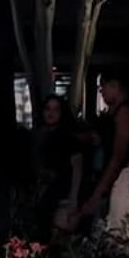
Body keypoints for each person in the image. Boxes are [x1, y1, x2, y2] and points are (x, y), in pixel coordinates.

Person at [74, 65, 129, 237]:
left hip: (128, 178)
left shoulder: (125, 112)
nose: (101, 91)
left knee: (124, 237)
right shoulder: (118, 113)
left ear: (115, 85)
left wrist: (96, 196)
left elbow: (118, 156)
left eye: (103, 87)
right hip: (123, 178)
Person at [34, 94, 83, 238]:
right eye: (48, 109)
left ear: (62, 113)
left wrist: (73, 197)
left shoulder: (67, 136)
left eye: (56, 110)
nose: (51, 113)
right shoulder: (39, 135)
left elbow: (77, 166)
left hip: (61, 191)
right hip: (44, 191)